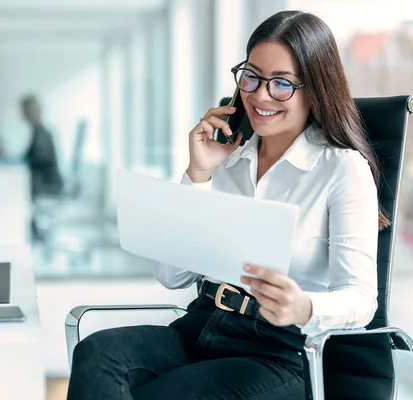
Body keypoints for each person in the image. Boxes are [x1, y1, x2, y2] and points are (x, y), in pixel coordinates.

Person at [67, 10, 385, 400]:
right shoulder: (229, 156)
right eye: (251, 76)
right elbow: (172, 276)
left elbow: (360, 299)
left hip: (277, 350)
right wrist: (197, 174)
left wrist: (303, 306)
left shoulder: (340, 168)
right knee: (97, 353)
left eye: (282, 84)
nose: (259, 95)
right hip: (202, 324)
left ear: (315, 89)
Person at [20, 95, 64, 200]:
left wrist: (20, 160)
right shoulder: (40, 131)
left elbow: (37, 160)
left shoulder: (41, 134)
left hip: (46, 184)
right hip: (46, 181)